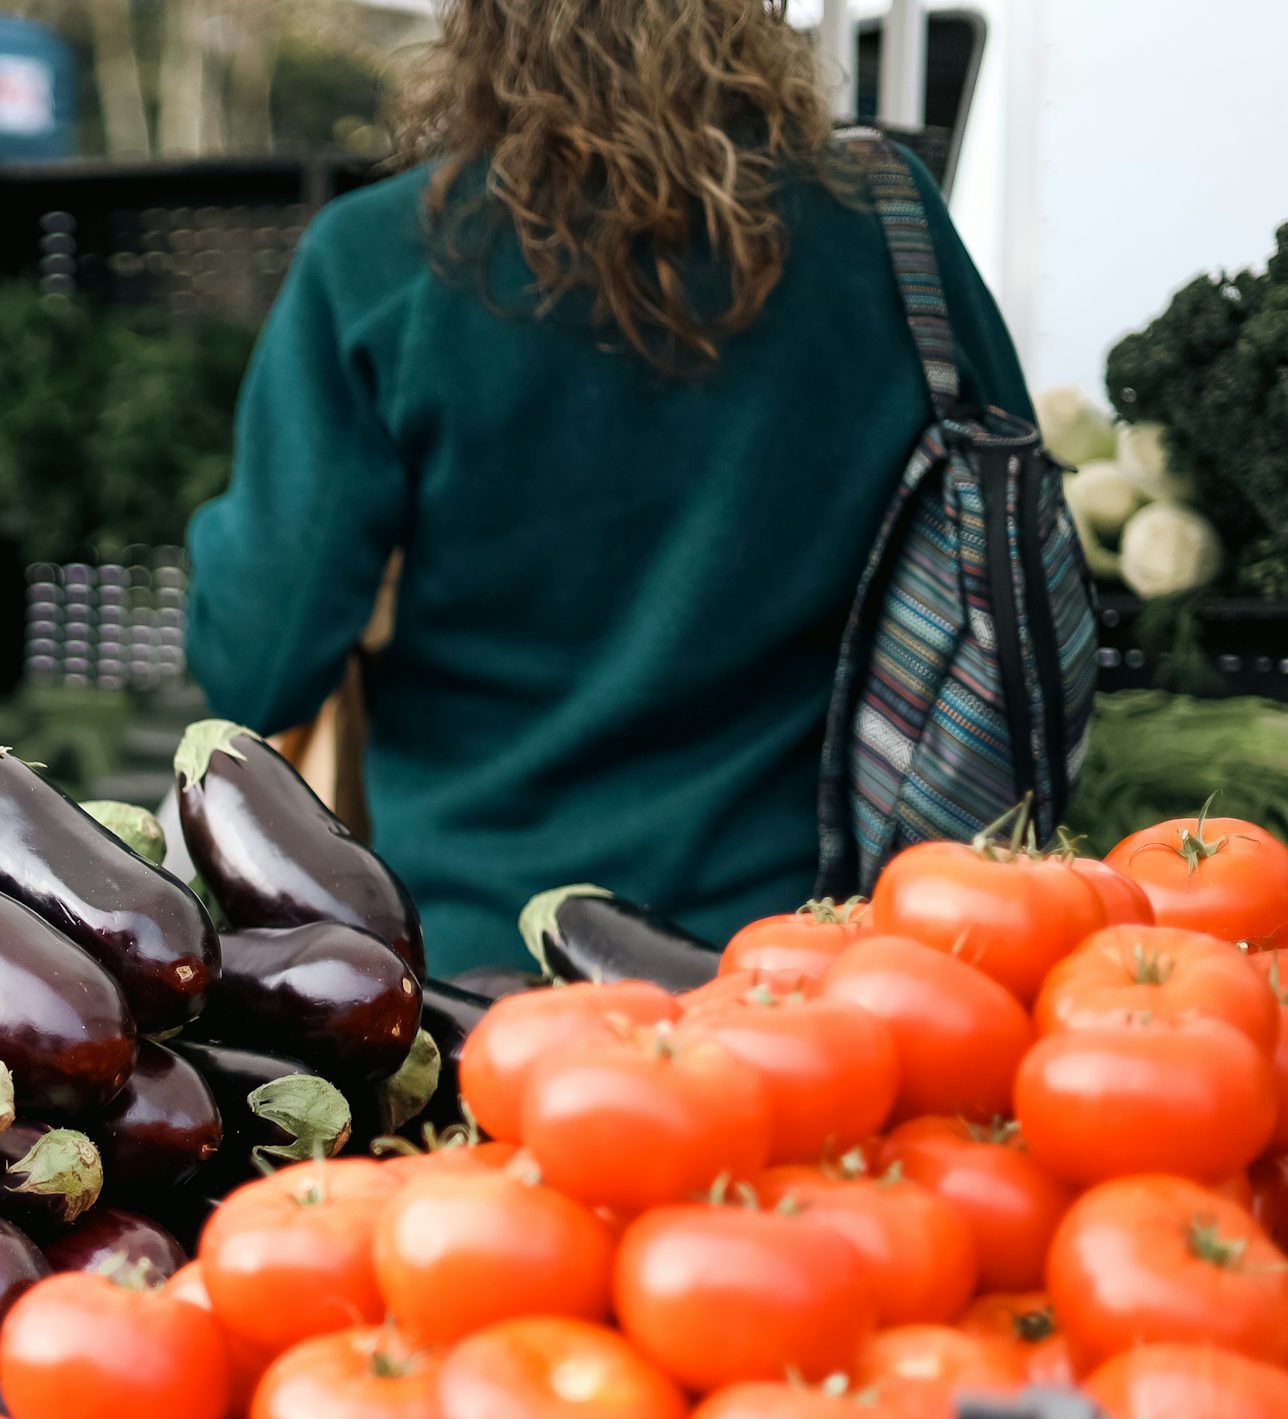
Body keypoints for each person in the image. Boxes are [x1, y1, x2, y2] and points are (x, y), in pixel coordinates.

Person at [183, 0, 1031, 977]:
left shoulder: (379, 258)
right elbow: (1013, 555)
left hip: (486, 964)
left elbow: (259, 668)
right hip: (813, 957)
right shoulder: (885, 222)